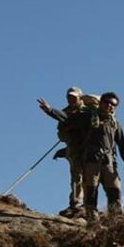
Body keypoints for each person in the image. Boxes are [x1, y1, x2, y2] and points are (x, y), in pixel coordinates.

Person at [71, 92, 124, 222]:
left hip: (109, 162)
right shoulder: (87, 117)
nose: (110, 106)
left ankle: (116, 221)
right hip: (91, 161)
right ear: (100, 102)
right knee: (91, 192)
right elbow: (66, 118)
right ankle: (92, 221)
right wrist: (49, 110)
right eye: (107, 102)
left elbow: (122, 142)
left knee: (115, 191)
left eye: (113, 104)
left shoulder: (114, 123)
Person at [37, 86, 86, 216]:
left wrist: (50, 111)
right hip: (73, 148)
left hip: (88, 147)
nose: (71, 99)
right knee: (76, 175)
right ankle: (76, 203)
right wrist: (67, 134)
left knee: (88, 176)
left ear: (80, 97)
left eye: (74, 97)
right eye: (69, 97)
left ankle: (87, 204)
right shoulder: (65, 112)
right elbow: (61, 133)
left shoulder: (87, 111)